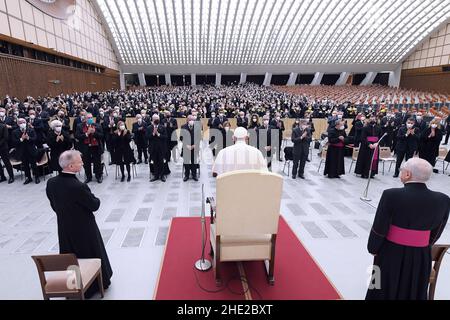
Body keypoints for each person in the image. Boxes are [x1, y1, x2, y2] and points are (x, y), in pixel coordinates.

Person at [366, 158, 450, 300]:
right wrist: (423, 243)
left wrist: (373, 248)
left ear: (407, 175)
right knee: (413, 288)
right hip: (421, 254)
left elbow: (380, 227)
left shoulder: (391, 195)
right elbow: (437, 230)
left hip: (391, 252)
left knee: (382, 287)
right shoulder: (443, 199)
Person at [46, 150, 113, 299]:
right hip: (84, 228)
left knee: (70, 255)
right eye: (79, 162)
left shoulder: (51, 183)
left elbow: (53, 204)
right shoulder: (77, 186)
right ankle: (93, 286)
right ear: (70, 166)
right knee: (89, 253)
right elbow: (94, 205)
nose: (82, 163)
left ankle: (72, 284)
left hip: (64, 227)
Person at [75, 113, 104, 183]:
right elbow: (77, 136)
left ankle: (98, 176)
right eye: (88, 118)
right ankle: (89, 177)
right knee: (86, 163)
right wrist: (86, 134)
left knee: (97, 162)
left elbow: (102, 136)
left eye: (91, 117)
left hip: (95, 147)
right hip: (85, 147)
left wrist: (95, 133)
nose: (90, 119)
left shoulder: (97, 125)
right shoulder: (80, 126)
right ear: (85, 119)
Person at [12, 118, 39, 184]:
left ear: (26, 123)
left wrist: (28, 138)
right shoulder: (14, 132)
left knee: (34, 165)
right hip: (22, 152)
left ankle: (36, 177)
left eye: (23, 122)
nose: (22, 124)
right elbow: (14, 142)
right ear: (18, 124)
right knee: (25, 166)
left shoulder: (31, 130)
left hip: (31, 150)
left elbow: (35, 138)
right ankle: (28, 178)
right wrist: (21, 139)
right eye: (20, 123)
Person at [146, 114, 167, 182]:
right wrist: (153, 134)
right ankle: (156, 175)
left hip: (161, 148)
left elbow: (165, 137)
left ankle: (162, 175)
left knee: (161, 161)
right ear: (152, 119)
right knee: (154, 162)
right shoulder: (149, 127)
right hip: (153, 148)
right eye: (154, 118)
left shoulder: (162, 127)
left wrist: (159, 135)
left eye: (157, 118)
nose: (156, 120)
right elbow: (147, 137)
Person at [180, 115, 200, 181]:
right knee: (186, 162)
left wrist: (195, 144)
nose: (192, 121)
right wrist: (186, 145)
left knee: (194, 161)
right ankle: (187, 175)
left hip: (194, 147)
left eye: (193, 120)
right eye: (190, 120)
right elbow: (181, 138)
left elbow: (199, 137)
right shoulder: (183, 127)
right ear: (187, 120)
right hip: (186, 147)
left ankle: (194, 175)